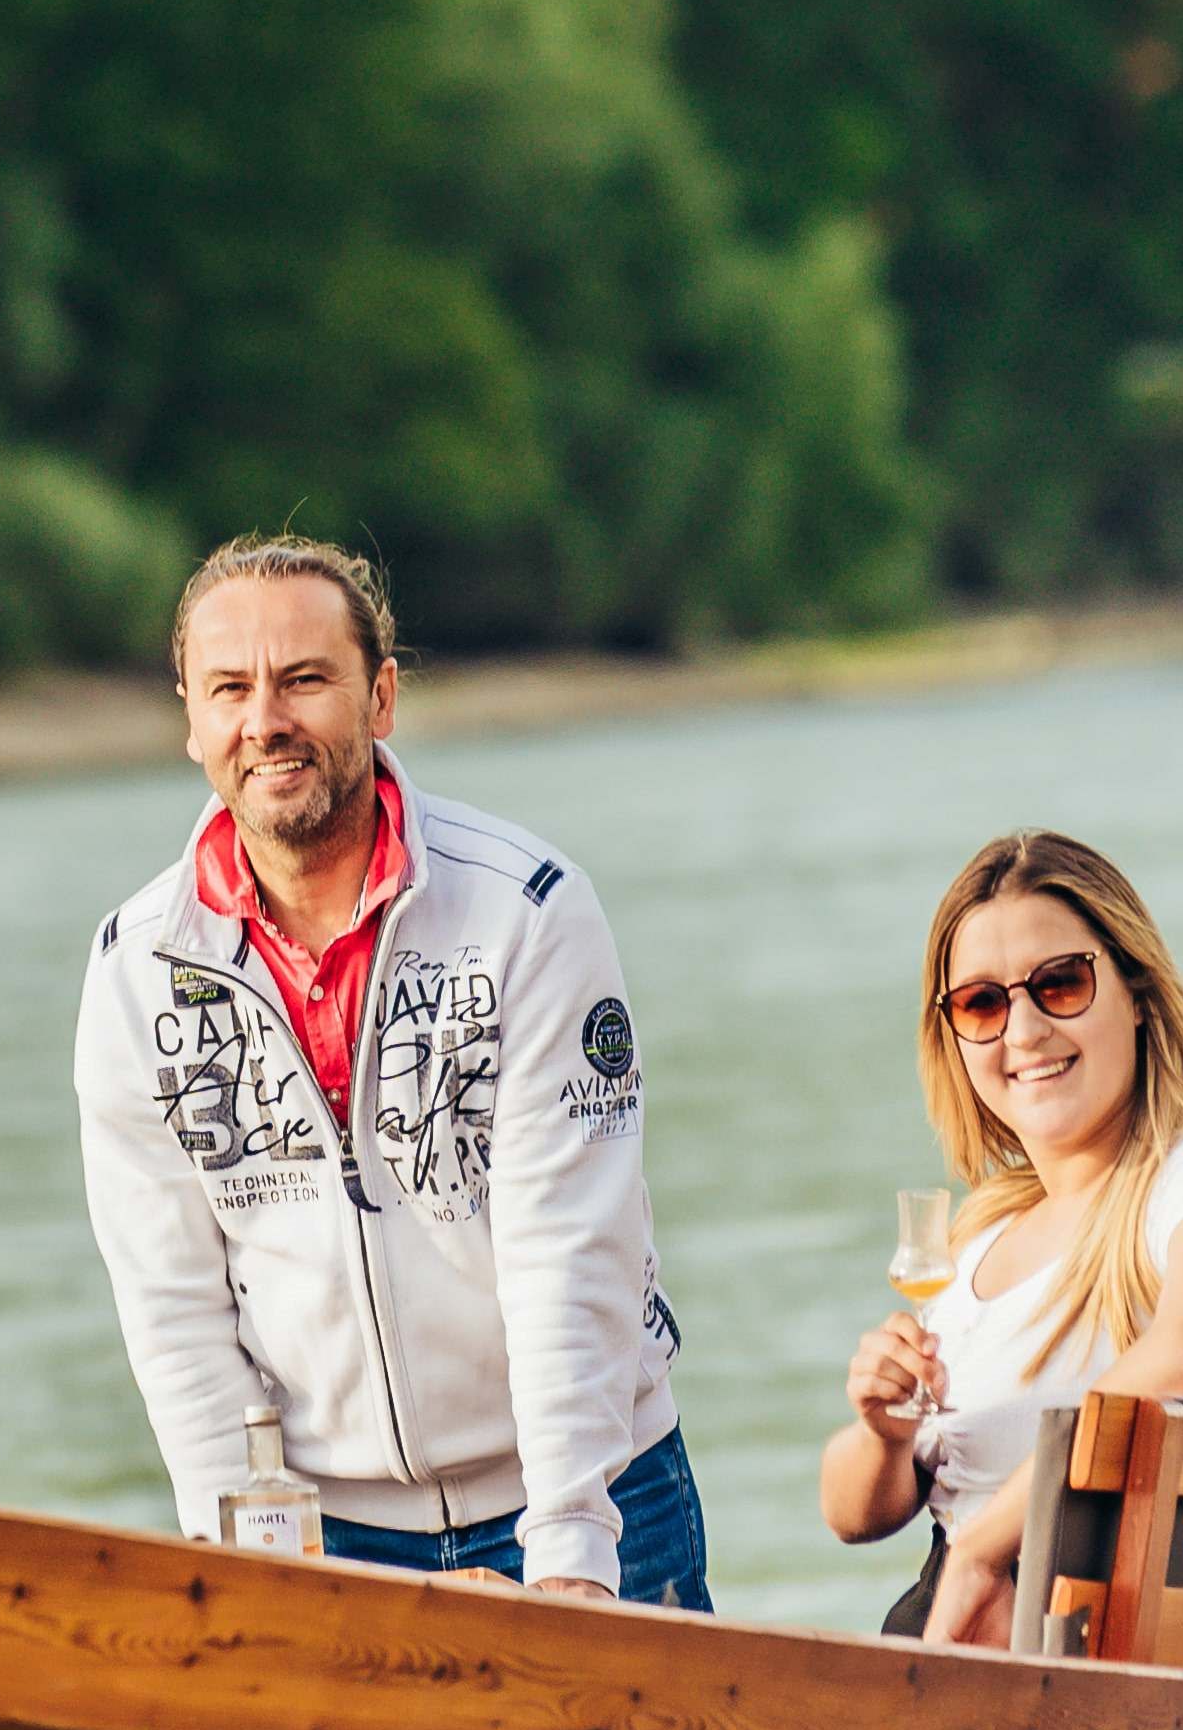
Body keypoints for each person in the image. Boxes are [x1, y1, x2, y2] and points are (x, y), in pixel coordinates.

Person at [74, 534, 710, 1607]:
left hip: (596, 1497)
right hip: (324, 1533)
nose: (265, 720)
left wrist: (566, 1553)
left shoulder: (529, 911)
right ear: (191, 719)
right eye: (229, 688)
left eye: (305, 679)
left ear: (381, 697)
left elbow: (570, 1251)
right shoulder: (135, 966)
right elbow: (171, 1304)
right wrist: (254, 1561)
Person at [814, 830, 1183, 1648]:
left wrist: (986, 1549)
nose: (1021, 1030)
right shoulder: (985, 1232)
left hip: (1097, 1646)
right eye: (981, 1003)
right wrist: (884, 1428)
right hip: (971, 1638)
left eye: (1059, 984)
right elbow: (849, 1516)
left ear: (1136, 993)